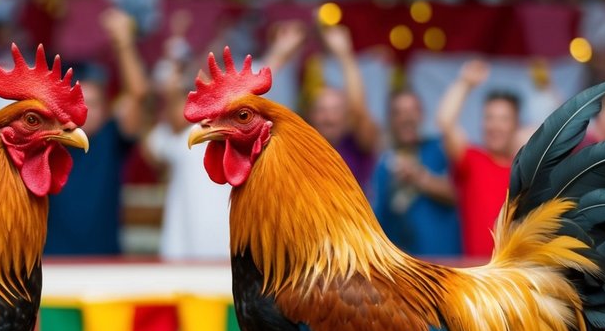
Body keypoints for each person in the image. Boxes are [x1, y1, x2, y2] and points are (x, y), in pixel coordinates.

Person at [151, 20, 306, 260]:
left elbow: (245, 101)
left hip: (234, 255)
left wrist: (280, 54)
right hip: (182, 260)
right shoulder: (175, 138)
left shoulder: (226, 132)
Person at [45, 8, 149, 256]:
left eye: (93, 103)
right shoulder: (47, 141)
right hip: (50, 263)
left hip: (105, 263)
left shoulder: (112, 137)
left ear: (106, 110)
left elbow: (138, 94)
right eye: (78, 101)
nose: (85, 109)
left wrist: (123, 42)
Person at [437, 59, 521, 260]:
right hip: (476, 277)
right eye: (489, 118)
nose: (495, 126)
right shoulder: (473, 160)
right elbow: (445, 122)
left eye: (503, 119)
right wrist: (465, 82)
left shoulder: (526, 171)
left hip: (516, 277)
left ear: (515, 125)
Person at [370, 89, 460, 258]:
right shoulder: (383, 165)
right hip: (408, 272)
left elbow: (461, 193)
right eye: (399, 112)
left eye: (412, 111)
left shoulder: (440, 149)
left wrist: (419, 178)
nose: (406, 117)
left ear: (422, 114)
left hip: (448, 267)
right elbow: (379, 222)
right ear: (390, 120)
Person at [308, 24, 380, 196]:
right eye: (322, 110)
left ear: (347, 117)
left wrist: (345, 55)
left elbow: (358, 110)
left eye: (335, 110)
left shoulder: (357, 144)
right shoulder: (303, 148)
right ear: (311, 116)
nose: (328, 117)